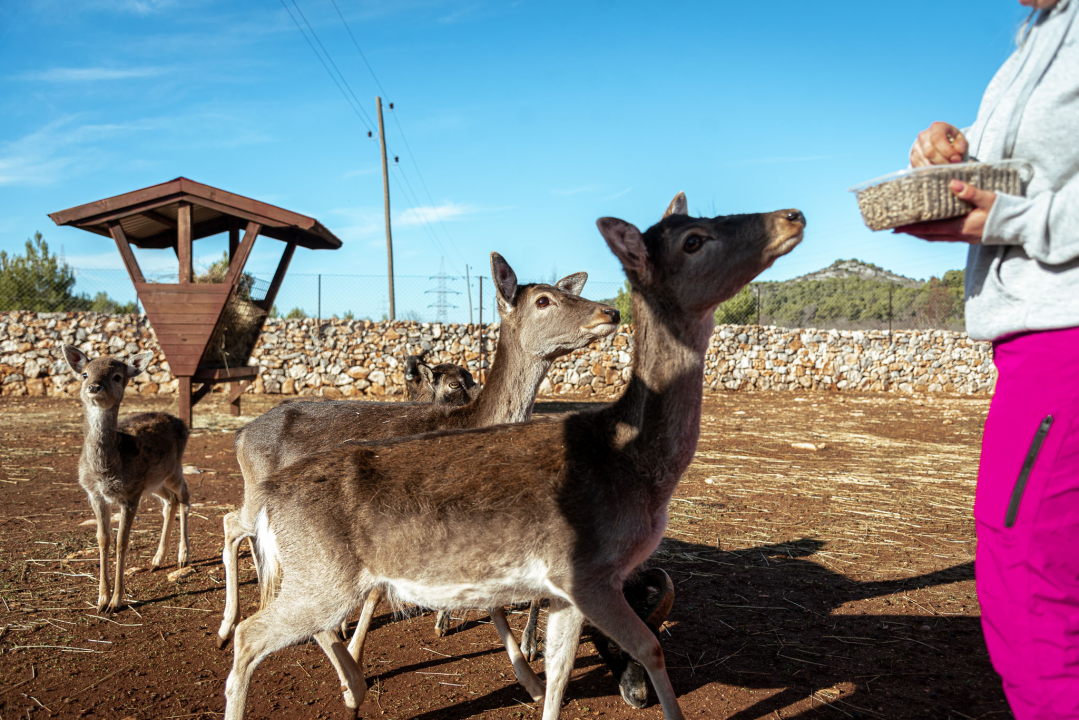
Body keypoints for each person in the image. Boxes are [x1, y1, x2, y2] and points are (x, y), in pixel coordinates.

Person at [895, 1, 1079, 717]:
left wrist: (1005, 219)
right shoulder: (1034, 39)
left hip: (1063, 341)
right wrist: (960, 150)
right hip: (1035, 335)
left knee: (1027, 581)